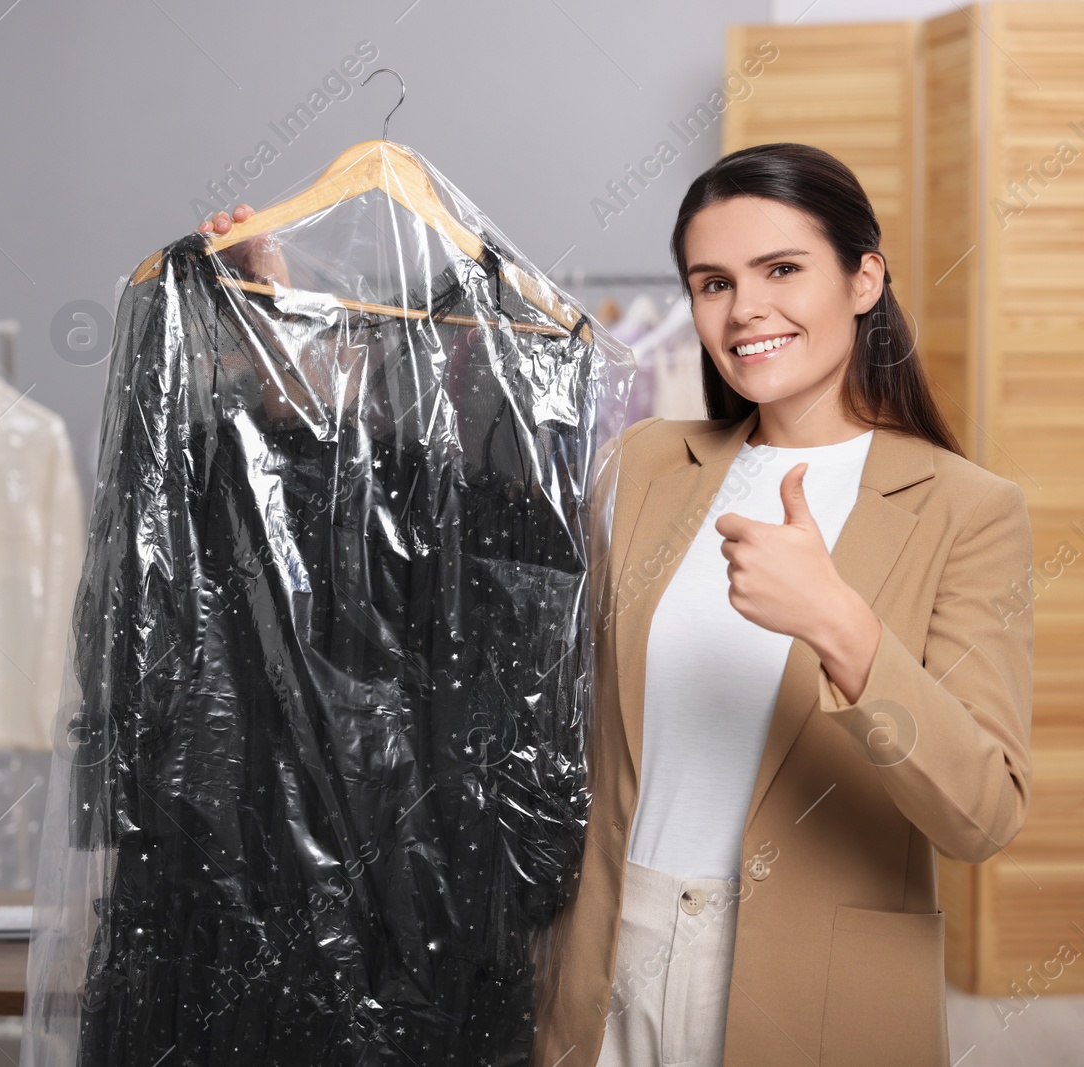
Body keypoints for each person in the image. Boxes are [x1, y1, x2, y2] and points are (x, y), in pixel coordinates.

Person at [201, 140, 1034, 1067]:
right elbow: (432, 539)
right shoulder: (645, 462)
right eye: (713, 282)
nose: (746, 307)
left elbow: (982, 813)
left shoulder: (967, 509)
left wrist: (840, 624)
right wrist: (282, 326)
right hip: (611, 955)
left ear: (864, 278)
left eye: (783, 269)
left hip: (817, 993)